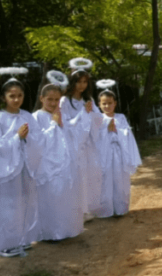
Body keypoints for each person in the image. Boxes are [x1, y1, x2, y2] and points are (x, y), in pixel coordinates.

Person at [0, 73, 42, 257]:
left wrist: (27, 140)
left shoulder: (27, 116)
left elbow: (38, 140)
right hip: (5, 173)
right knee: (7, 205)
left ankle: (23, 238)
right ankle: (4, 244)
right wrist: (16, 138)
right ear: (3, 97)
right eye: (12, 96)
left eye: (20, 95)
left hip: (23, 170)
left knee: (24, 203)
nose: (16, 99)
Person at [33, 83, 83, 241]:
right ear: (42, 99)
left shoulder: (61, 114)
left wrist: (62, 124)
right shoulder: (36, 117)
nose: (53, 103)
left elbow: (69, 136)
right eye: (50, 99)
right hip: (47, 167)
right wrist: (54, 125)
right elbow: (37, 141)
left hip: (64, 164)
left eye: (56, 99)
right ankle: (50, 233)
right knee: (50, 199)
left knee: (64, 197)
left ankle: (65, 230)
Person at [59, 68, 103, 221]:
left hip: (87, 144)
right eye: (79, 81)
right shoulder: (65, 101)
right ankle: (76, 210)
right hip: (73, 144)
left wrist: (90, 113)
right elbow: (65, 123)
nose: (82, 85)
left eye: (85, 82)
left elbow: (98, 119)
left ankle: (87, 208)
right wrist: (82, 113)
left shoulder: (87, 99)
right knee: (77, 175)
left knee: (89, 175)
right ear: (72, 82)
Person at [95, 89, 141, 218]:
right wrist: (106, 131)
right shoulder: (98, 119)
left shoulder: (120, 117)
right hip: (105, 155)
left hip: (119, 154)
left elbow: (127, 136)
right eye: (104, 103)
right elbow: (95, 139)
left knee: (120, 180)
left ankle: (121, 208)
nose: (107, 106)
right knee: (106, 181)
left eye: (110, 103)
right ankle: (106, 210)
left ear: (115, 103)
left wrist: (117, 131)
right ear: (99, 104)